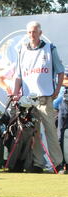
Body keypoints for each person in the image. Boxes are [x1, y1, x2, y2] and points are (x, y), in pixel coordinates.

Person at [12, 21, 65, 174]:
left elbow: (60, 71)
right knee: (34, 132)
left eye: (35, 32)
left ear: (40, 33)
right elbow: (18, 75)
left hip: (45, 96)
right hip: (28, 99)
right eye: (29, 32)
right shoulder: (21, 50)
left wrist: (56, 90)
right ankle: (38, 163)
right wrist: (16, 94)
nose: (32, 35)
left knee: (50, 131)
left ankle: (58, 163)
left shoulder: (50, 48)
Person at [54, 67, 68, 168]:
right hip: (61, 110)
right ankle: (61, 164)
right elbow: (55, 104)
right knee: (60, 136)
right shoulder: (62, 90)